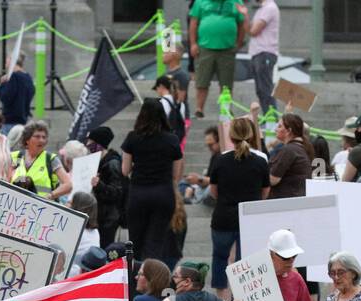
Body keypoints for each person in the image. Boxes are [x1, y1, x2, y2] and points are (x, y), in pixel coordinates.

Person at [207, 117, 270, 298]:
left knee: (219, 257)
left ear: (230, 135)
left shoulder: (220, 159)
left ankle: (222, 298)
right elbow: (265, 192)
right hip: (249, 218)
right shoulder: (260, 161)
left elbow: (213, 191)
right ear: (251, 135)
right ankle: (242, 298)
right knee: (246, 262)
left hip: (223, 216)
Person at [122, 101, 183, 263]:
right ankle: (151, 281)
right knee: (156, 242)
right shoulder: (172, 140)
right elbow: (176, 174)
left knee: (136, 242)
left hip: (138, 194)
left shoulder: (132, 137)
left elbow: (125, 170)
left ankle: (135, 281)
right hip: (163, 194)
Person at [188, 0, 244, 119]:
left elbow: (241, 23)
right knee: (202, 81)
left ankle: (226, 110)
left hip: (227, 49)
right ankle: (199, 109)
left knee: (226, 83)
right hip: (205, 48)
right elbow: (193, 23)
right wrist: (193, 44)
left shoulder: (236, 2)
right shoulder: (200, 2)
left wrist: (238, 43)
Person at [10, 119, 71, 202]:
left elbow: (68, 184)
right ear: (27, 139)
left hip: (42, 209)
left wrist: (50, 196)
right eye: (37, 136)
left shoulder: (50, 159)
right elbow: (6, 179)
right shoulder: (17, 157)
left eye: (44, 137)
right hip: (16, 206)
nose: (41, 140)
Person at [86, 127, 126, 247]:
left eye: (91, 142)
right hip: (99, 216)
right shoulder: (97, 161)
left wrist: (99, 185)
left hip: (109, 219)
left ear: (99, 144)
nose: (87, 145)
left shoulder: (112, 163)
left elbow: (117, 192)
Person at [267, 112, 312, 199]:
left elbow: (273, 180)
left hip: (286, 201)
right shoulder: (299, 148)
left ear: (289, 131)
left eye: (279, 126)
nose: (275, 129)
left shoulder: (289, 150)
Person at [248, 0, 280, 114]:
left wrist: (244, 15)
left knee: (265, 88)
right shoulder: (261, 9)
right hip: (257, 53)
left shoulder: (270, 7)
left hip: (265, 52)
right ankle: (268, 116)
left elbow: (254, 30)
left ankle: (272, 118)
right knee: (260, 90)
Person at [0, 53, 35, 132]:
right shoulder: (27, 77)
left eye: (7, 60)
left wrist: (2, 84)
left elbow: (5, 97)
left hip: (11, 120)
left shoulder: (14, 77)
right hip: (23, 119)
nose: (5, 62)